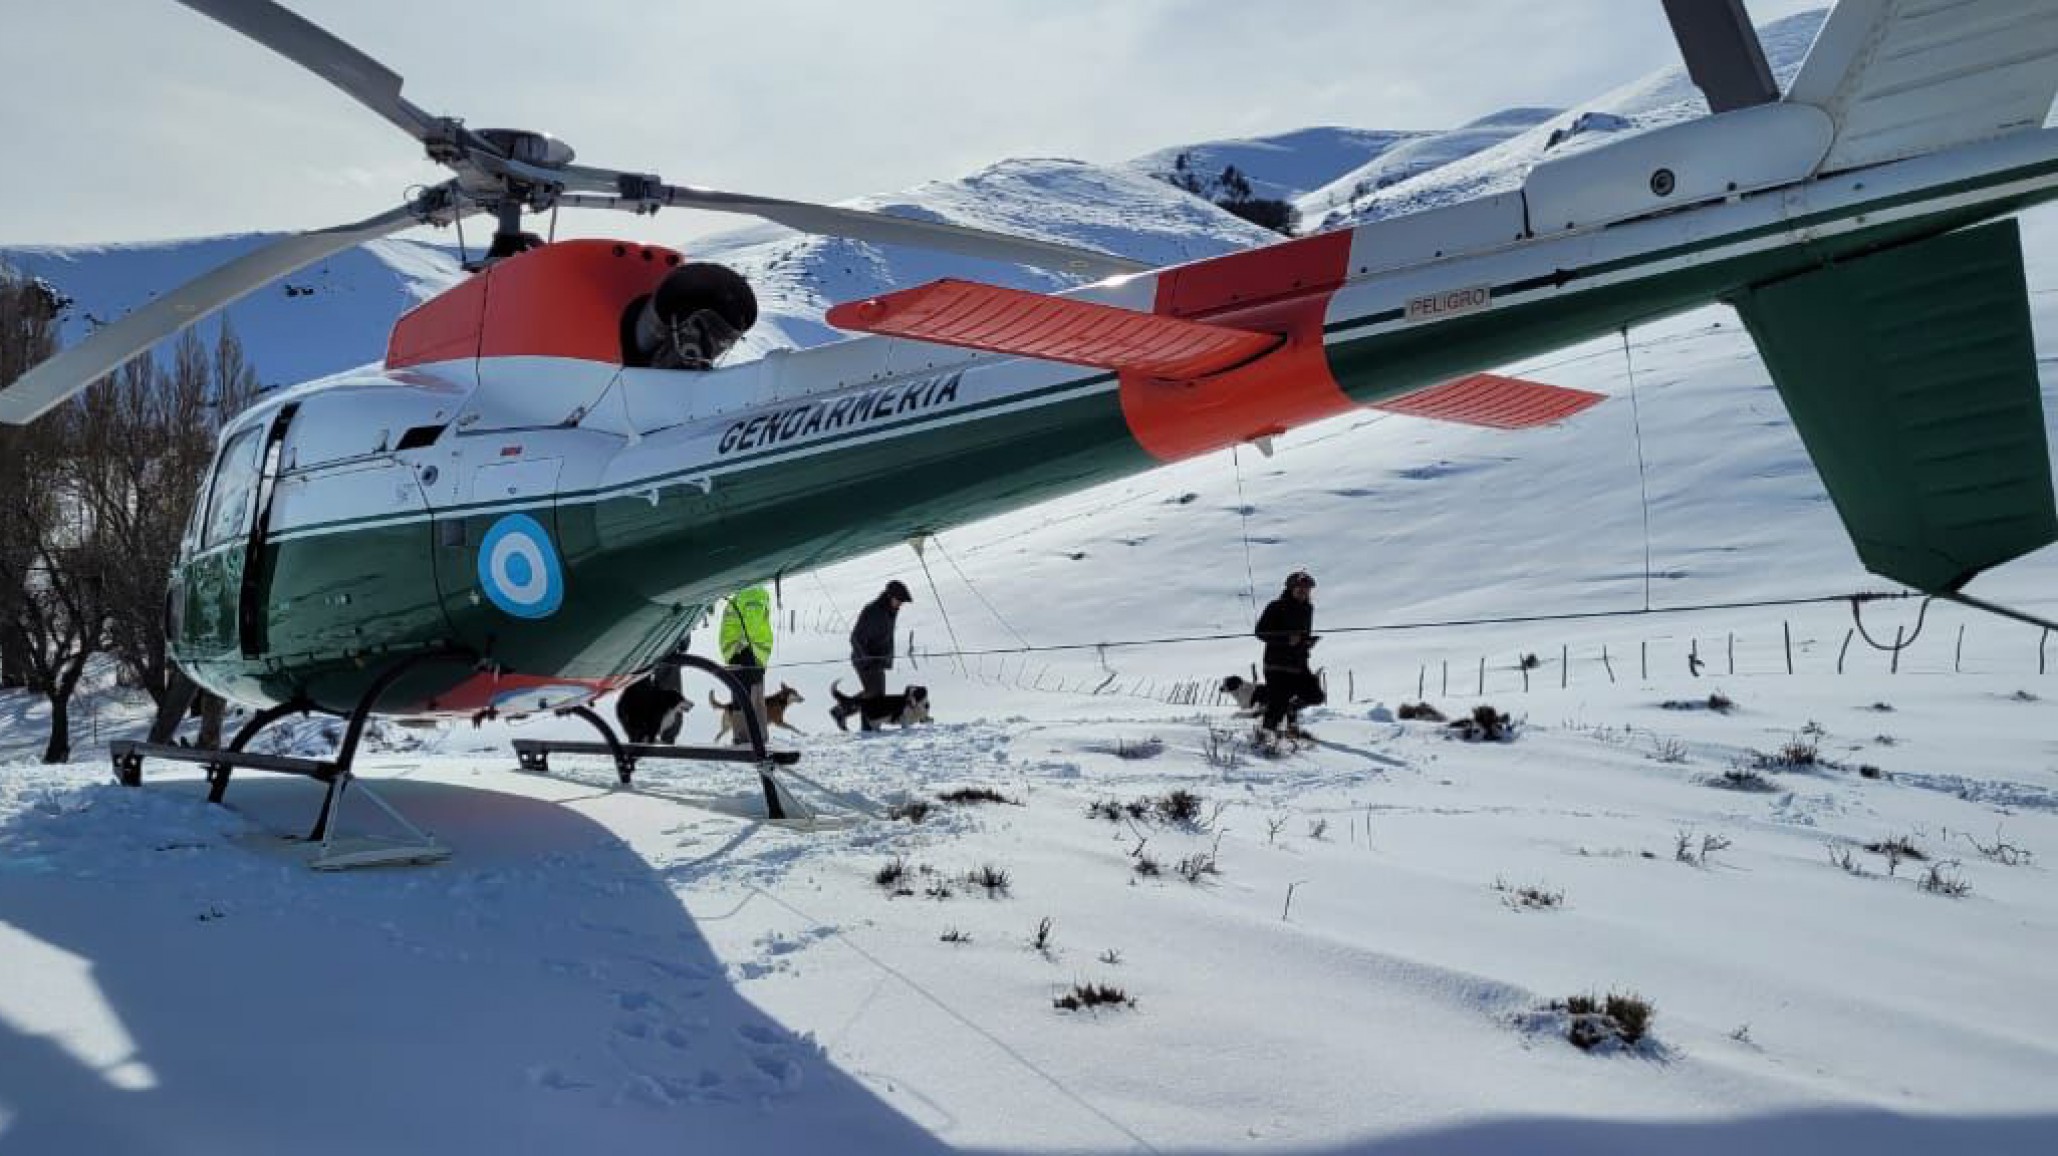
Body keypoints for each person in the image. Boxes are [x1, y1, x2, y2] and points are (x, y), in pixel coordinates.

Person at [1254, 570, 1326, 738]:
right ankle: (1265, 740)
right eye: (1300, 589)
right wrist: (1286, 640)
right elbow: (1260, 632)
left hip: (1299, 665)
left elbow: (1301, 636)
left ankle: (1290, 709)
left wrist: (1307, 643)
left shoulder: (1308, 608)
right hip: (1277, 666)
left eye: (1307, 589)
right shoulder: (1275, 607)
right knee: (1276, 708)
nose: (1304, 592)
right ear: (1290, 588)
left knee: (1316, 696)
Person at [832, 580, 912, 731]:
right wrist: (867, 657)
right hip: (865, 660)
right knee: (874, 695)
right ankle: (865, 725)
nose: (901, 604)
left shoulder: (889, 611)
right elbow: (855, 637)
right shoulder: (874, 611)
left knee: (875, 695)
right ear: (890, 596)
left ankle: (843, 711)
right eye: (899, 600)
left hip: (877, 660)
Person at [718, 584, 775, 745]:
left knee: (744, 695)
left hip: (745, 652)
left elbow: (753, 622)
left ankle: (747, 738)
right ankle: (754, 737)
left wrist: (744, 646)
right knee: (749, 694)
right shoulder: (750, 591)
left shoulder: (751, 591)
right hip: (747, 652)